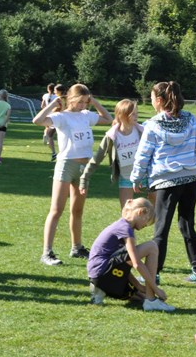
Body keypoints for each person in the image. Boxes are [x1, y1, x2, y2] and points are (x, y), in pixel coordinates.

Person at [131, 81, 196, 285]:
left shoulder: (152, 124)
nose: (151, 102)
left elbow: (143, 155)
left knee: (161, 228)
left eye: (152, 98)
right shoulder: (190, 119)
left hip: (166, 181)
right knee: (187, 225)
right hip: (191, 179)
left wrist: (137, 177)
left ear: (159, 100)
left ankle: (153, 273)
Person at [32, 83, 112, 265]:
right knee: (56, 209)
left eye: (86, 102)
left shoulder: (86, 115)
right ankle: (47, 252)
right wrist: (53, 105)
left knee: (77, 210)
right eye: (81, 101)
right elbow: (37, 121)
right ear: (71, 99)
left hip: (84, 168)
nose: (84, 105)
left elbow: (108, 119)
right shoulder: (62, 117)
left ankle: (77, 247)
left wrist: (94, 102)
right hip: (66, 165)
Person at [87, 198, 174, 311]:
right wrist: (156, 289)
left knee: (141, 296)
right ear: (140, 212)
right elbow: (136, 263)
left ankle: (99, 291)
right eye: (147, 221)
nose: (145, 225)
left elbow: (123, 264)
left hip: (100, 277)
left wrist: (139, 286)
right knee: (151, 247)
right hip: (104, 273)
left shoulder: (122, 225)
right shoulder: (125, 229)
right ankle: (151, 300)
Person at [81, 99, 153, 208]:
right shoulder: (111, 137)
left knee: (153, 211)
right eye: (133, 114)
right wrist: (84, 178)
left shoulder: (143, 132)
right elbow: (97, 158)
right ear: (122, 115)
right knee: (126, 213)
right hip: (126, 179)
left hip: (146, 177)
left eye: (136, 113)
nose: (136, 116)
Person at [40, 83, 57, 155]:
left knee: (47, 128)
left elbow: (42, 106)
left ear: (48, 89)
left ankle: (45, 135)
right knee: (53, 130)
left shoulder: (45, 95)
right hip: (54, 114)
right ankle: (48, 138)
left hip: (47, 114)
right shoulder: (56, 96)